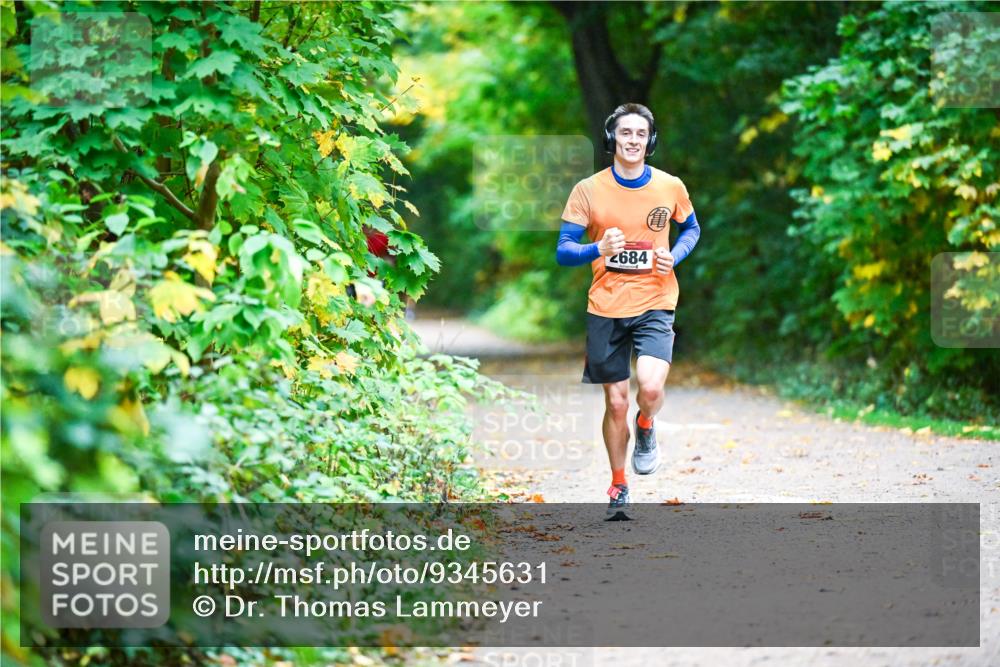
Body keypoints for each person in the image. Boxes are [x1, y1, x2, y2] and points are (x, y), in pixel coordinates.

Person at [555, 103, 701, 520]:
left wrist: (675, 255)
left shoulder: (670, 186)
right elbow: (563, 251)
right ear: (611, 138)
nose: (632, 140)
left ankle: (647, 425)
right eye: (625, 133)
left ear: (650, 141)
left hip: (656, 299)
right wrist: (596, 248)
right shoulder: (588, 190)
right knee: (616, 402)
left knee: (650, 389)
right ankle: (619, 484)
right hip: (606, 305)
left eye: (640, 133)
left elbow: (691, 229)